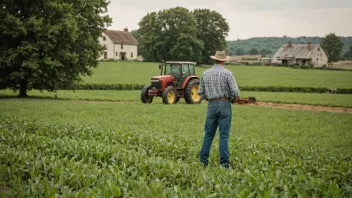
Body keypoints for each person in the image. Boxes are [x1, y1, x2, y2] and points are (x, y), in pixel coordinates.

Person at [198, 51, 240, 168]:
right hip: (224, 104)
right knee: (224, 136)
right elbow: (235, 92)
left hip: (211, 105)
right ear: (224, 60)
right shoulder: (228, 73)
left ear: (215, 60)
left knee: (208, 135)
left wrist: (209, 97)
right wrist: (233, 98)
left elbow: (200, 92)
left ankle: (203, 162)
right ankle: (224, 164)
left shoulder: (205, 73)